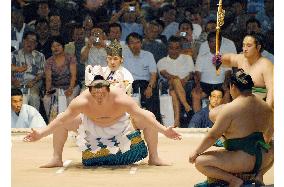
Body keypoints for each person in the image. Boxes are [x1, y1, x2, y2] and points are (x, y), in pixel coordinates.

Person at [23, 65, 181, 168]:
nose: (98, 96)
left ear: (108, 89)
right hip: (91, 128)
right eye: (95, 92)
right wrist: (41, 134)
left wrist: (165, 131)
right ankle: (56, 158)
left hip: (121, 127)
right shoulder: (82, 101)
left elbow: (143, 116)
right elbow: (61, 120)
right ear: (90, 90)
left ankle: (154, 157)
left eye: (102, 93)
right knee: (64, 118)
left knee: (148, 115)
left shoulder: (120, 98)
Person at [189, 69, 273, 186]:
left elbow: (213, 135)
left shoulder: (231, 109)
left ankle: (233, 180)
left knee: (200, 161)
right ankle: (259, 175)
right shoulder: (266, 107)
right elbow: (268, 138)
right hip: (265, 159)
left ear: (232, 86)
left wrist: (196, 152)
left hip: (242, 160)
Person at [213, 33, 274, 108]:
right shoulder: (241, 57)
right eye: (244, 45)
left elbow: (271, 89)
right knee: (236, 78)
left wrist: (267, 109)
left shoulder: (267, 64)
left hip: (259, 100)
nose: (245, 48)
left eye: (248, 46)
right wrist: (218, 59)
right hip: (241, 99)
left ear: (258, 48)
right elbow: (228, 59)